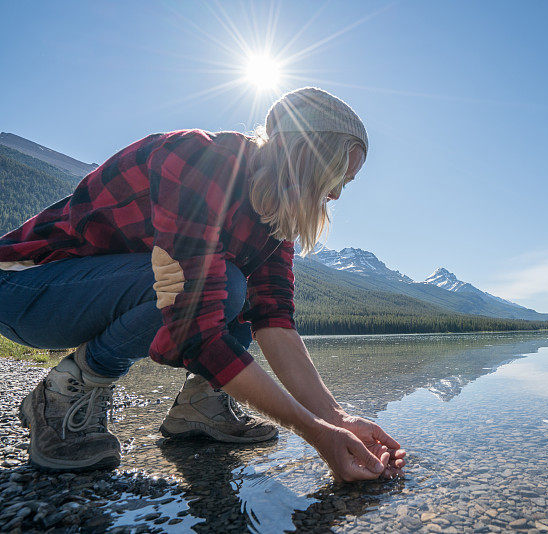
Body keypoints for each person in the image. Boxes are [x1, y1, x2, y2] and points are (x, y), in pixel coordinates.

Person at [0, 87, 405, 481]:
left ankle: (201, 405)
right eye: (335, 174)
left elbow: (274, 319)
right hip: (25, 292)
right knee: (225, 285)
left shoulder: (274, 215)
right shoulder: (200, 159)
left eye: (345, 183)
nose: (334, 193)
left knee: (235, 287)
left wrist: (336, 419)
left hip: (82, 295)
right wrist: (316, 434)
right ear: (301, 154)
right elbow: (194, 328)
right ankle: (64, 392)